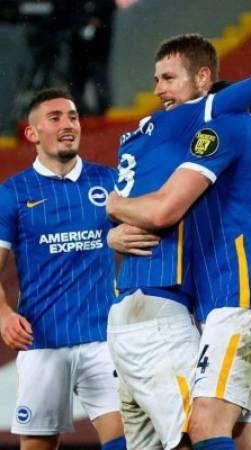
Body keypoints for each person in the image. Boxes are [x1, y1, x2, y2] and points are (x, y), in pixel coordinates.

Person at [106, 34, 251, 450]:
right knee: (238, 432)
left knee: (203, 427)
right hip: (215, 301)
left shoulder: (219, 123)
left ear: (204, 80)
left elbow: (161, 212)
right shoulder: (212, 139)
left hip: (240, 294)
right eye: (156, 79)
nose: (157, 90)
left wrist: (114, 207)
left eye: (168, 78)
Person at [0, 88, 126, 450]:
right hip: (42, 341)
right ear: (32, 133)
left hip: (104, 339)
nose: (68, 124)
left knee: (124, 441)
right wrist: (4, 314)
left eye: (72, 117)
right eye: (55, 118)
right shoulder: (13, 193)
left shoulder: (110, 182)